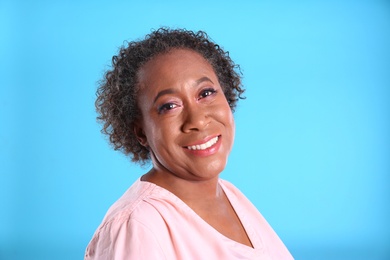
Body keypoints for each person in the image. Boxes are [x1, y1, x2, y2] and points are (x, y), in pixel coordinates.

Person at [85, 28, 293, 259]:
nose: (197, 121)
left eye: (205, 93)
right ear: (140, 131)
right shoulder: (138, 225)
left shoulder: (231, 195)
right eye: (169, 106)